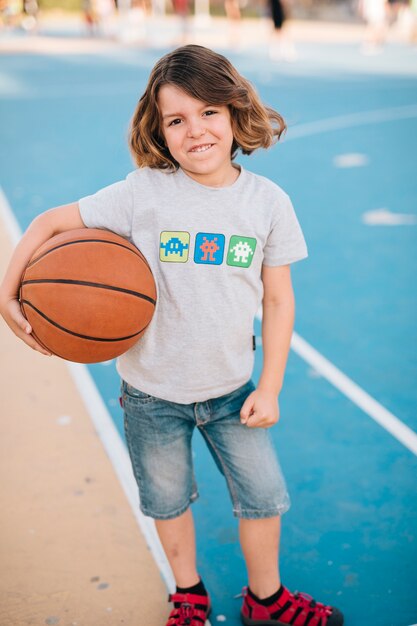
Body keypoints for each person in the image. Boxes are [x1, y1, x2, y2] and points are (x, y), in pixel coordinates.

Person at [0, 45, 344, 626]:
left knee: (264, 499)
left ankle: (266, 599)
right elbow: (47, 222)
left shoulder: (266, 203)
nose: (195, 130)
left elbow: (280, 299)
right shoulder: (144, 193)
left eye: (209, 111)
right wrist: (8, 292)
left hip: (234, 391)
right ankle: (187, 593)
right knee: (166, 501)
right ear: (159, 130)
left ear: (235, 112)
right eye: (176, 119)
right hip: (151, 395)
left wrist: (273, 385)